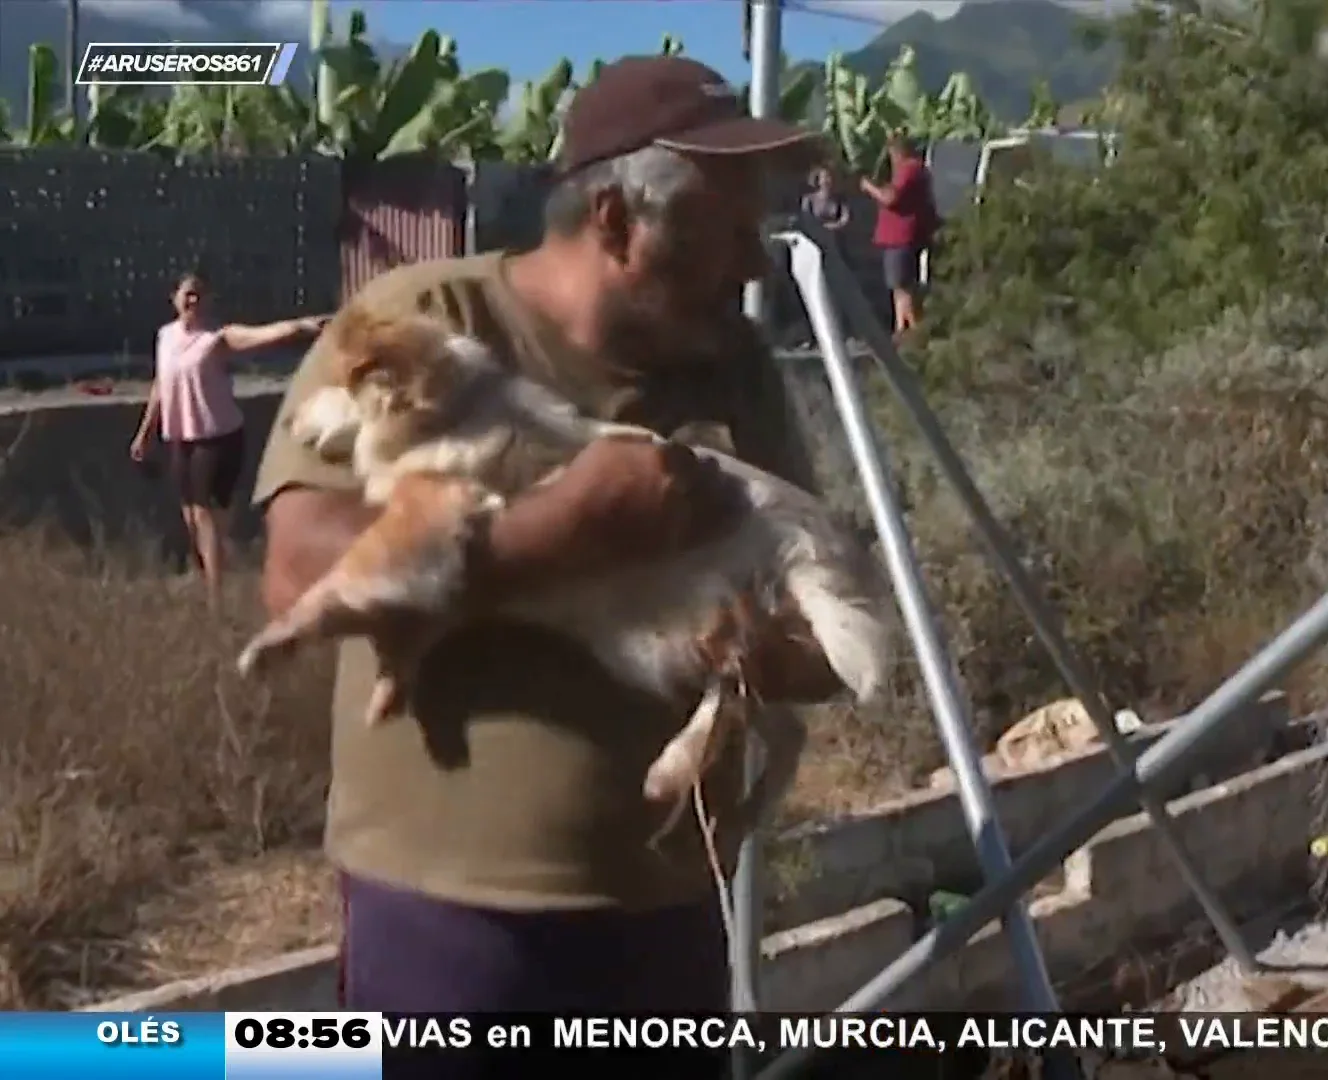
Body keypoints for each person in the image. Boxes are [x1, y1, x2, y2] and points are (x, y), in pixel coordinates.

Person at [253, 56, 844, 1022]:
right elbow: (297, 574)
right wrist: (564, 531)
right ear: (616, 221)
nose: (754, 264)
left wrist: (769, 652)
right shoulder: (426, 322)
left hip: (672, 917)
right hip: (455, 922)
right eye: (729, 230)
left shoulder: (734, 371)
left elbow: (818, 622)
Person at [129, 271, 325, 603]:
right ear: (174, 298)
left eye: (199, 294)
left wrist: (305, 326)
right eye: (187, 293)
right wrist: (144, 433)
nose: (193, 300)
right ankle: (211, 574)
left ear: (208, 300)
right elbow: (161, 385)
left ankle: (215, 597)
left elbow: (266, 335)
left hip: (218, 437)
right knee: (190, 512)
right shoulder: (165, 337)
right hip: (182, 435)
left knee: (206, 514)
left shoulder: (216, 338)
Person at [860, 134, 939, 340]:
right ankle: (901, 331)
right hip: (900, 238)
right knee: (899, 289)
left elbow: (891, 198)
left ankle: (913, 332)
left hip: (901, 237)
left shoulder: (909, 169)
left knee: (903, 288)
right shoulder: (914, 171)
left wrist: (870, 187)